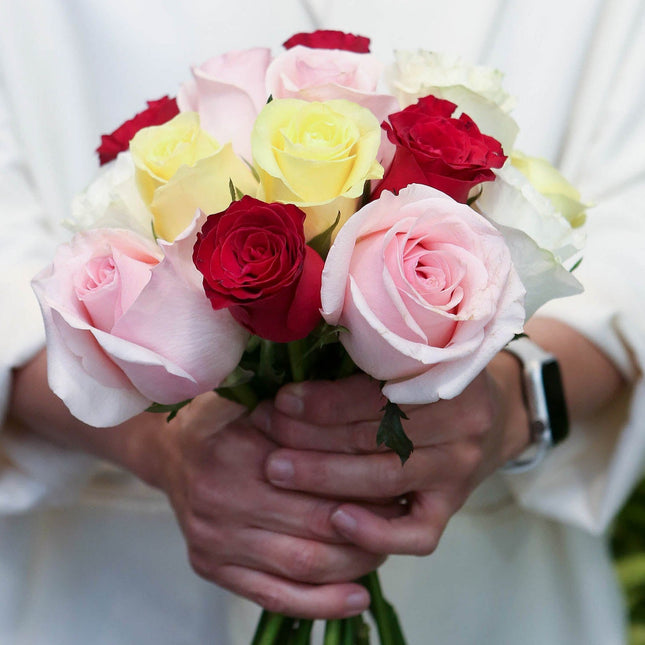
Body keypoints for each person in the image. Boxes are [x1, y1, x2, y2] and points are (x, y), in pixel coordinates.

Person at [1, 1, 644, 643]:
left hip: (492, 588)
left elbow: (629, 244)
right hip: (99, 577)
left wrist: (511, 401)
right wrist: (153, 442)